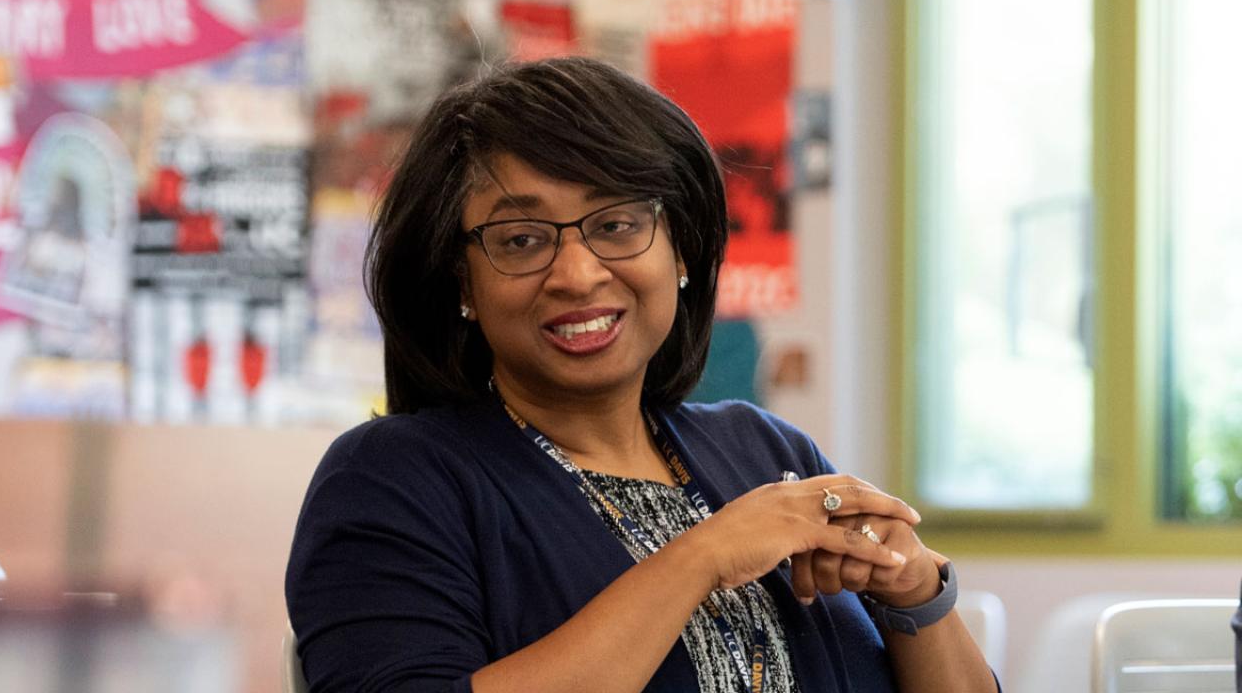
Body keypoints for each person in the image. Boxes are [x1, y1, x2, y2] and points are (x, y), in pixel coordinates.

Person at [286, 56, 997, 693]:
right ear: (461, 284)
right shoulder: (392, 481)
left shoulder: (768, 454)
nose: (577, 273)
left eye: (618, 225)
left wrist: (917, 597)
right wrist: (703, 556)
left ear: (680, 249)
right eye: (522, 240)